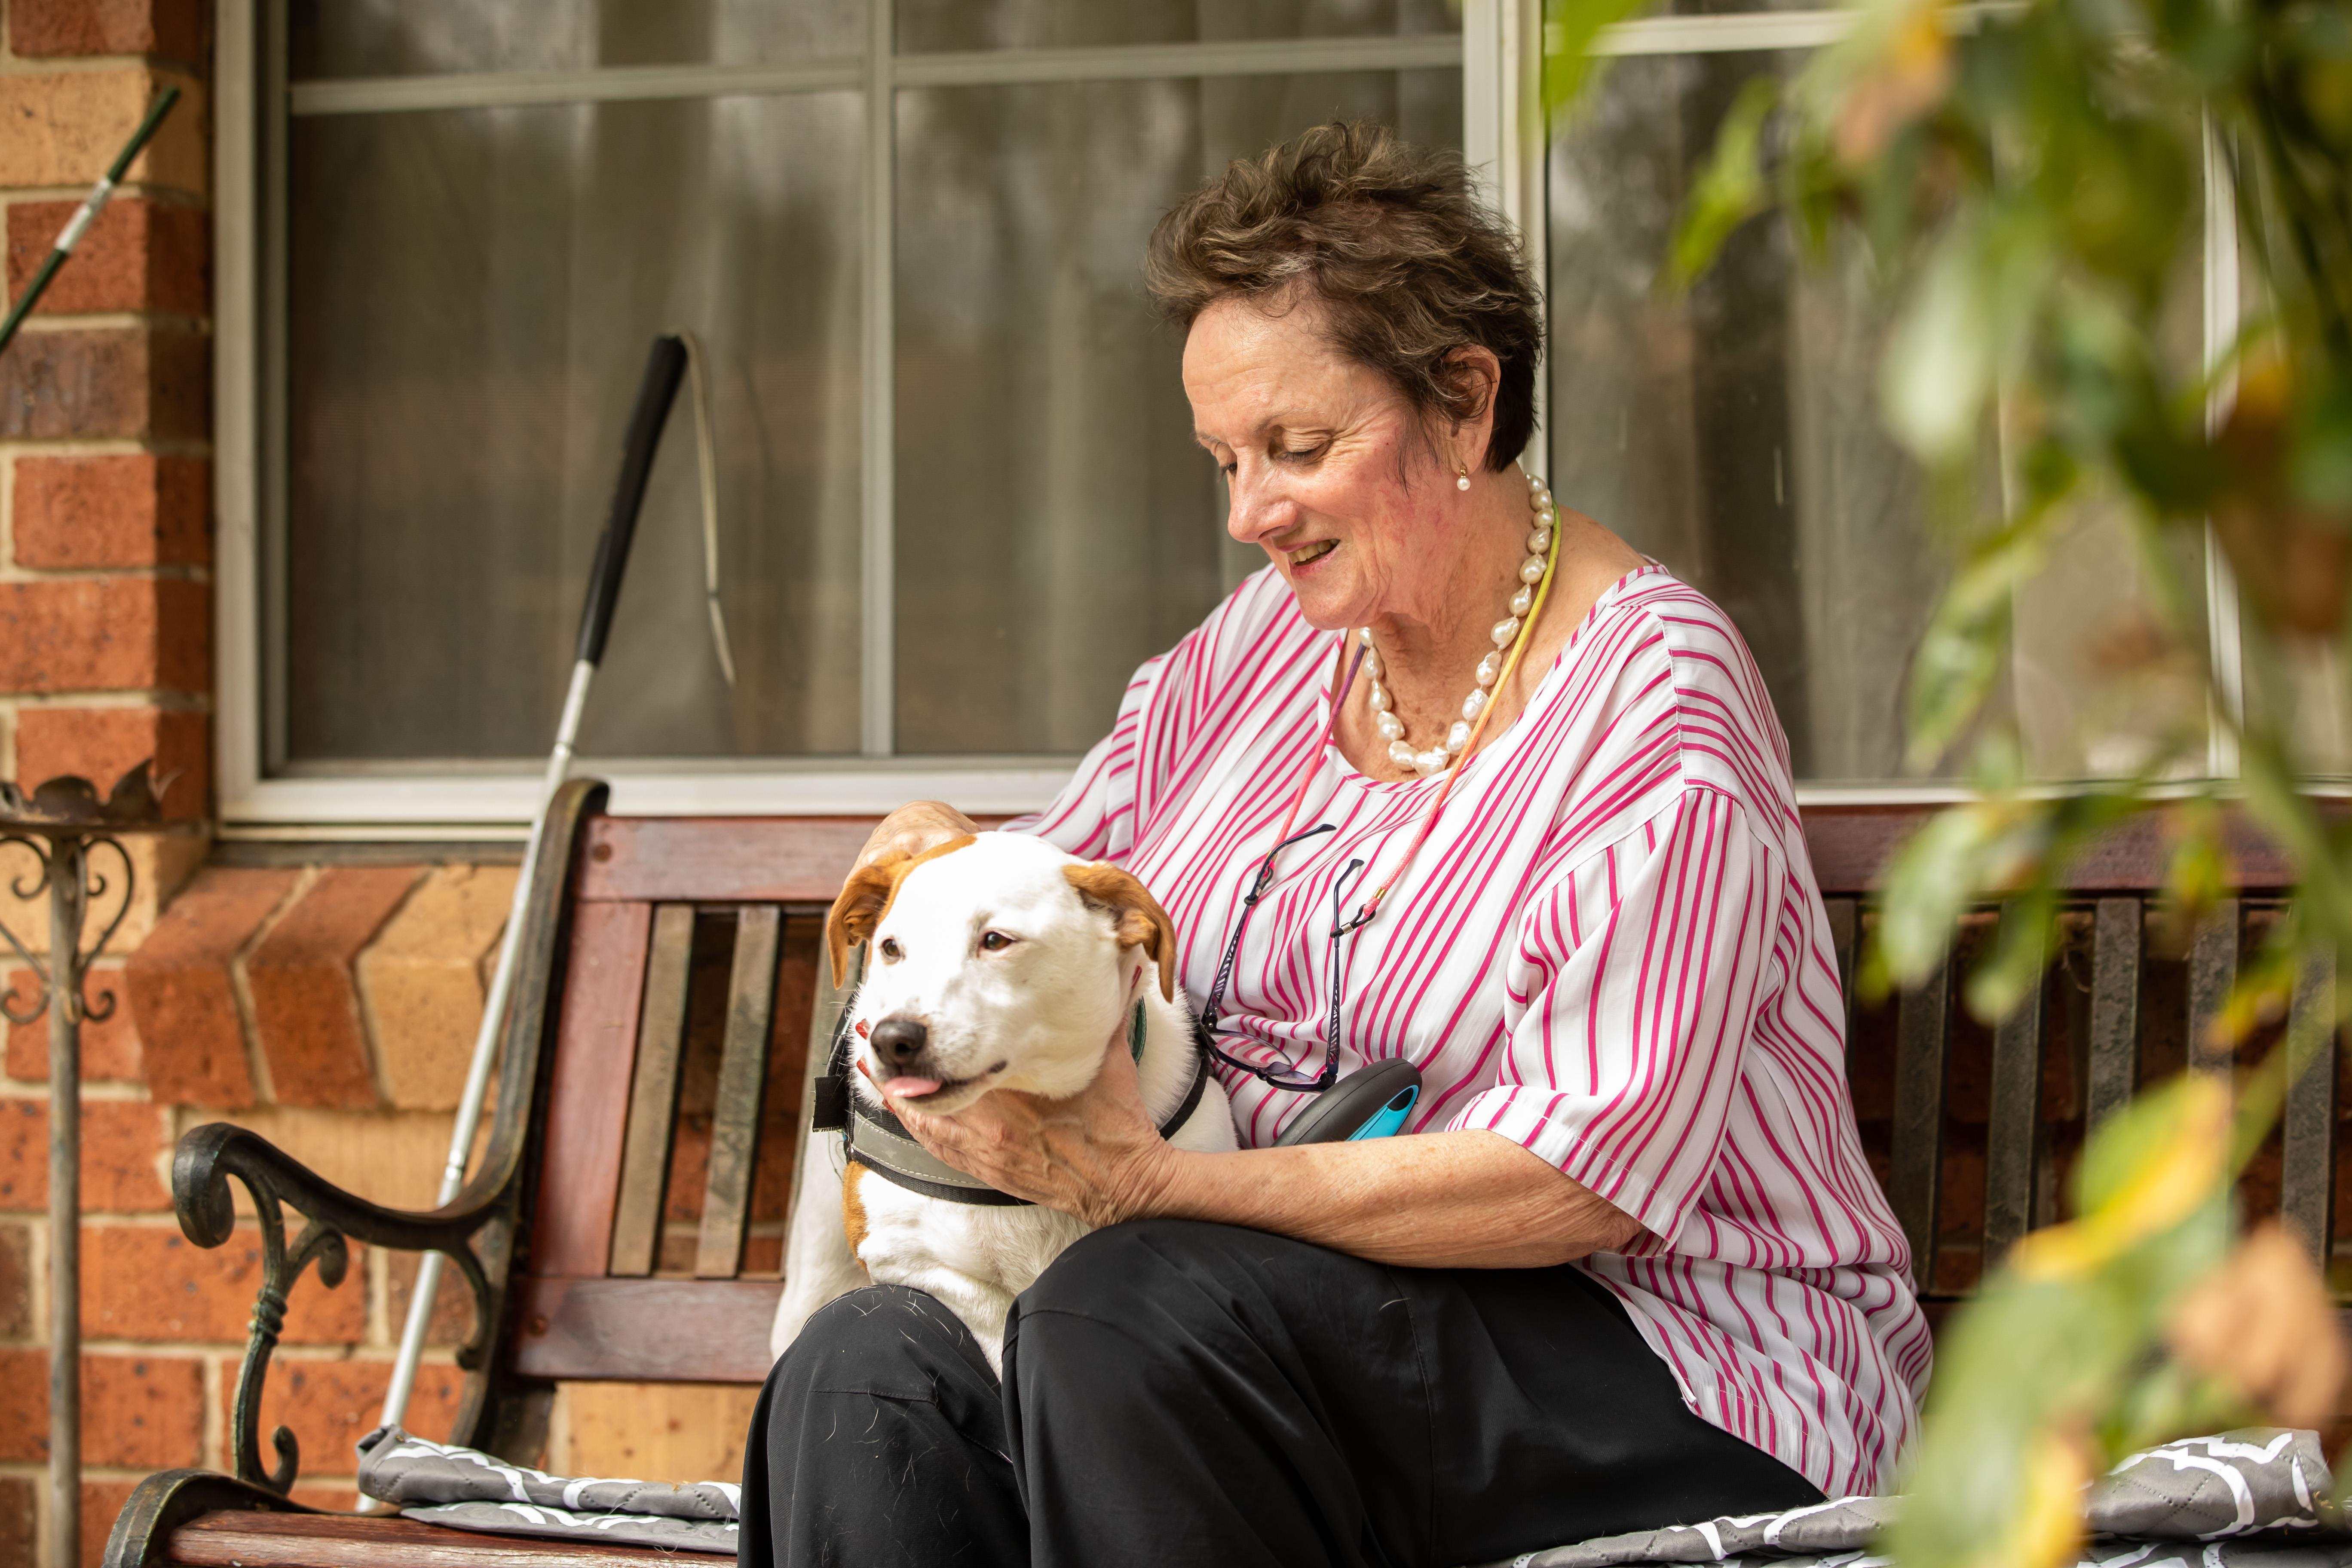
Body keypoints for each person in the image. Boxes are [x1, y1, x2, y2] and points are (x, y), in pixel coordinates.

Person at [738, 121, 1928, 1568]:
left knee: (1121, 1312)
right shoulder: (1265, 649)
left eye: (1299, 449)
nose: (1251, 513)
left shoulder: (1658, 709)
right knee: (870, 1367)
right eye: (1226, 459)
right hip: (1253, 1322)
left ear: (1466, 403)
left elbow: (1582, 1176)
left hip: (1668, 1359)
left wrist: (1166, 1189)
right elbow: (1055, 890)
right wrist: (943, 869)